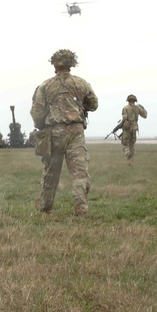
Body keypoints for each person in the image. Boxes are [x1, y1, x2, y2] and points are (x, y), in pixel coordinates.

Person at [30, 48, 99, 215]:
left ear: (54, 64)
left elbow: (37, 111)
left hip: (53, 132)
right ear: (72, 64)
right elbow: (93, 104)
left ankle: (46, 207)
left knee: (50, 173)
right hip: (75, 132)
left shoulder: (45, 86)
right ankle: (80, 209)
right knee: (79, 173)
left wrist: (41, 126)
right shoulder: (81, 83)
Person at [119, 94, 148, 164]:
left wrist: (120, 125)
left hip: (127, 127)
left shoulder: (125, 108)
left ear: (128, 101)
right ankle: (130, 161)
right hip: (134, 128)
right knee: (132, 145)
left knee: (125, 144)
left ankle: (127, 153)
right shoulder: (138, 108)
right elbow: (145, 115)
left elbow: (124, 118)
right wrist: (142, 108)